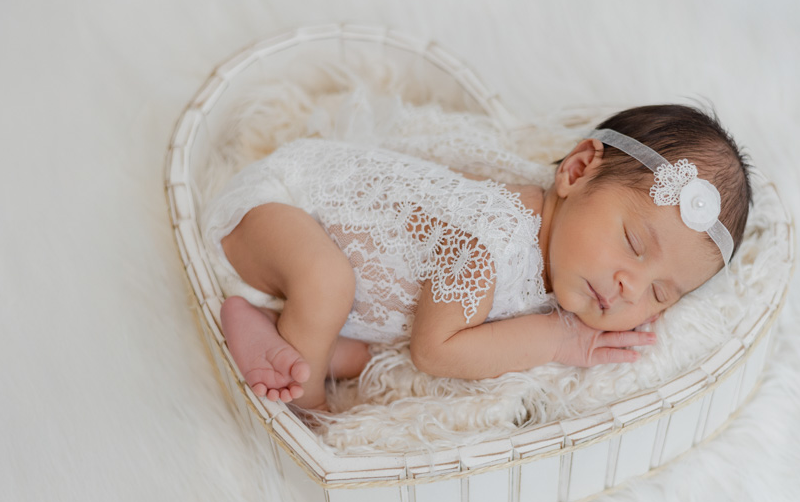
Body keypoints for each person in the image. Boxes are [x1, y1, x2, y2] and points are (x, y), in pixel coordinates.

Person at [202, 104, 752, 411]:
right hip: (281, 205)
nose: (633, 286)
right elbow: (435, 351)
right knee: (324, 283)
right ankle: (306, 398)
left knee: (365, 353)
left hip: (330, 287)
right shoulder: (487, 237)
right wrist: (563, 340)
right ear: (578, 170)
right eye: (634, 244)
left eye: (662, 293)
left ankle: (261, 325)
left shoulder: (552, 270)